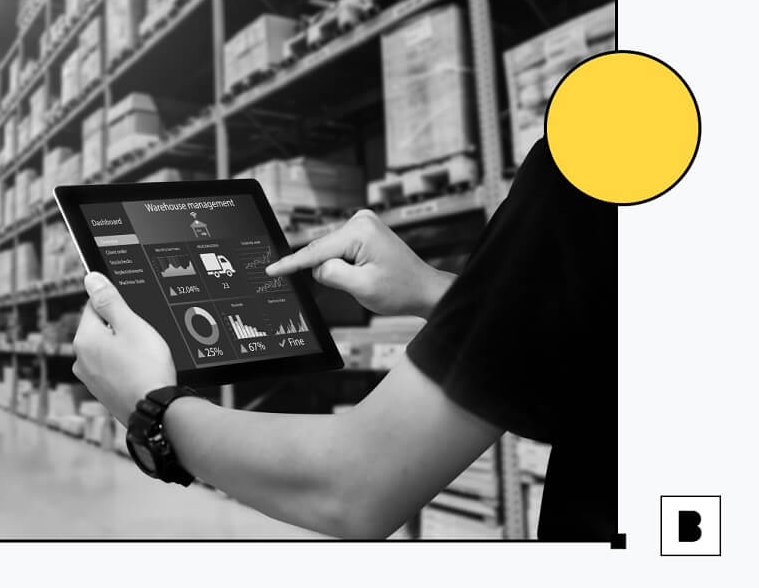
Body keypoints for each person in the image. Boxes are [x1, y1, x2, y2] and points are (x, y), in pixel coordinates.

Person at [71, 140, 616, 540]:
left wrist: (153, 410)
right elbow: (601, 358)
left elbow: (353, 485)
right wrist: (437, 291)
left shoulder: (599, 156)